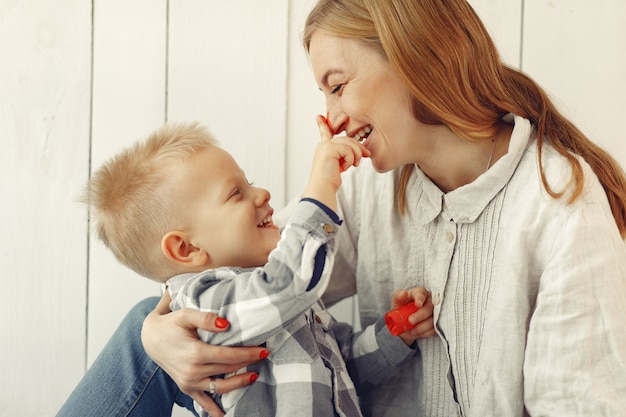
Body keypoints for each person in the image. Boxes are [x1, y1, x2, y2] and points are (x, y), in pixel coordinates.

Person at [59, 0, 626, 416]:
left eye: (336, 85)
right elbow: (261, 280)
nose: (329, 119)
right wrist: (156, 338)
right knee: (148, 322)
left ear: (414, 59)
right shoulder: (369, 185)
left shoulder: (560, 204)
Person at [59, 121, 435, 417]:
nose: (262, 195)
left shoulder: (276, 297)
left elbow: (341, 367)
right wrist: (321, 185)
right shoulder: (209, 303)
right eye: (236, 193)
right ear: (187, 249)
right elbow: (290, 280)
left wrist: (392, 334)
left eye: (249, 183)